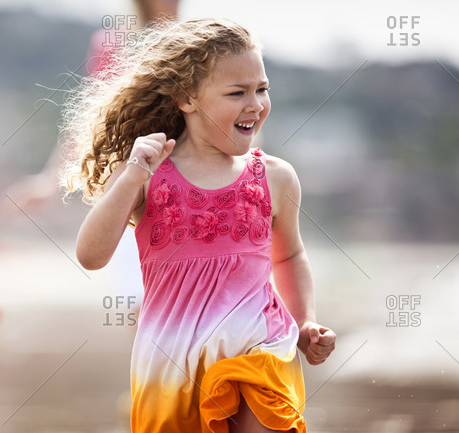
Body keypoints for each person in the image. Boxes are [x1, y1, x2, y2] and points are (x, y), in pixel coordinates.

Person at [63, 19, 336, 432]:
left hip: (261, 348)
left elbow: (291, 254)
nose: (255, 104)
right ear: (186, 98)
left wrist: (304, 323)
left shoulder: (276, 178)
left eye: (261, 89)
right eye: (236, 93)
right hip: (171, 365)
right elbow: (90, 256)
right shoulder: (148, 175)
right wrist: (132, 174)